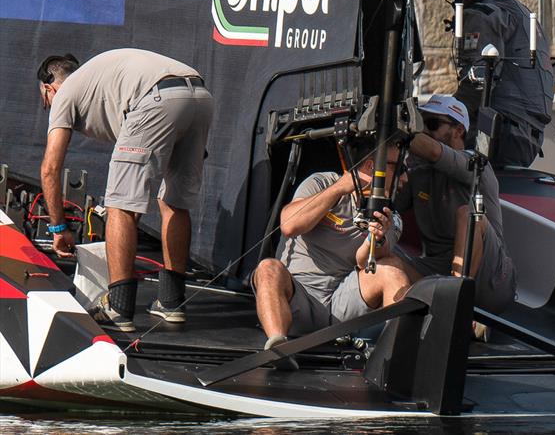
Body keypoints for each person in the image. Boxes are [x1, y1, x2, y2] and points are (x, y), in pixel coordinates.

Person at [38, 49, 214, 332]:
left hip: (157, 98)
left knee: (119, 206)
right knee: (174, 202)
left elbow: (50, 168)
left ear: (49, 87)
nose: (49, 108)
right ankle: (171, 303)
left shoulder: (67, 91)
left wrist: (58, 229)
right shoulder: (100, 81)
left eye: (45, 101)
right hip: (199, 97)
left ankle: (118, 307)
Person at [250, 140, 411, 368]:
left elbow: (365, 261)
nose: (405, 179)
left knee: (392, 267)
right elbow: (289, 224)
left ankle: (395, 358)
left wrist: (376, 237)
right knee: (268, 267)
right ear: (371, 167)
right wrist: (338, 189)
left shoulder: (392, 217)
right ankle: (278, 348)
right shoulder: (323, 182)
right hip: (297, 300)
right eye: (400, 168)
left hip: (340, 306)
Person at [394, 94, 516, 319]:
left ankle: (454, 306)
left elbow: (433, 151)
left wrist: (391, 129)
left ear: (459, 130)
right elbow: (390, 209)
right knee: (385, 254)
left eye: (432, 124)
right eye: (421, 123)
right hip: (437, 270)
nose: (424, 131)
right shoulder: (417, 173)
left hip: (490, 278)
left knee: (469, 214)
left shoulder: (476, 163)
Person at [448, 0, 554, 168]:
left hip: (496, 136)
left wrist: (440, 115)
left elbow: (476, 85)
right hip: (527, 138)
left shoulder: (481, 15)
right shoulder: (522, 13)